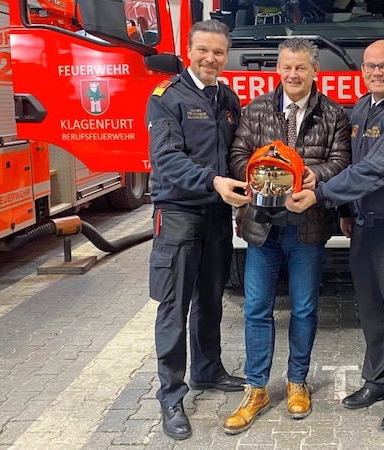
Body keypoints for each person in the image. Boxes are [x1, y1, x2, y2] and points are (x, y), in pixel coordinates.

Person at [286, 39, 384, 432]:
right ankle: (377, 381)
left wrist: (318, 195)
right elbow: (354, 163)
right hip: (366, 227)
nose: (377, 72)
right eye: (370, 66)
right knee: (370, 311)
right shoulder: (364, 107)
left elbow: (375, 171)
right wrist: (348, 211)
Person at [222, 37, 352, 434]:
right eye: (286, 67)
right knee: (257, 309)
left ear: (315, 70)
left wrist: (313, 178)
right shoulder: (255, 109)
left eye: (301, 67)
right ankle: (256, 388)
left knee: (305, 309)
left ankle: (298, 382)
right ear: (278, 70)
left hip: (308, 227)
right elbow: (238, 155)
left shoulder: (334, 115)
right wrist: (263, 171)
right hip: (261, 227)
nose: (293, 75)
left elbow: (342, 161)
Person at [145, 19, 251, 441]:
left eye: (219, 52)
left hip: (216, 215)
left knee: (210, 299)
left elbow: (236, 153)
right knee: (173, 307)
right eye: (203, 50)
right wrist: (213, 182)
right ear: (190, 51)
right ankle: (171, 394)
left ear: (227, 55)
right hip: (178, 215)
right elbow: (166, 158)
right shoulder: (166, 98)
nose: (211, 58)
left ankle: (208, 371)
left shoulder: (227, 97)